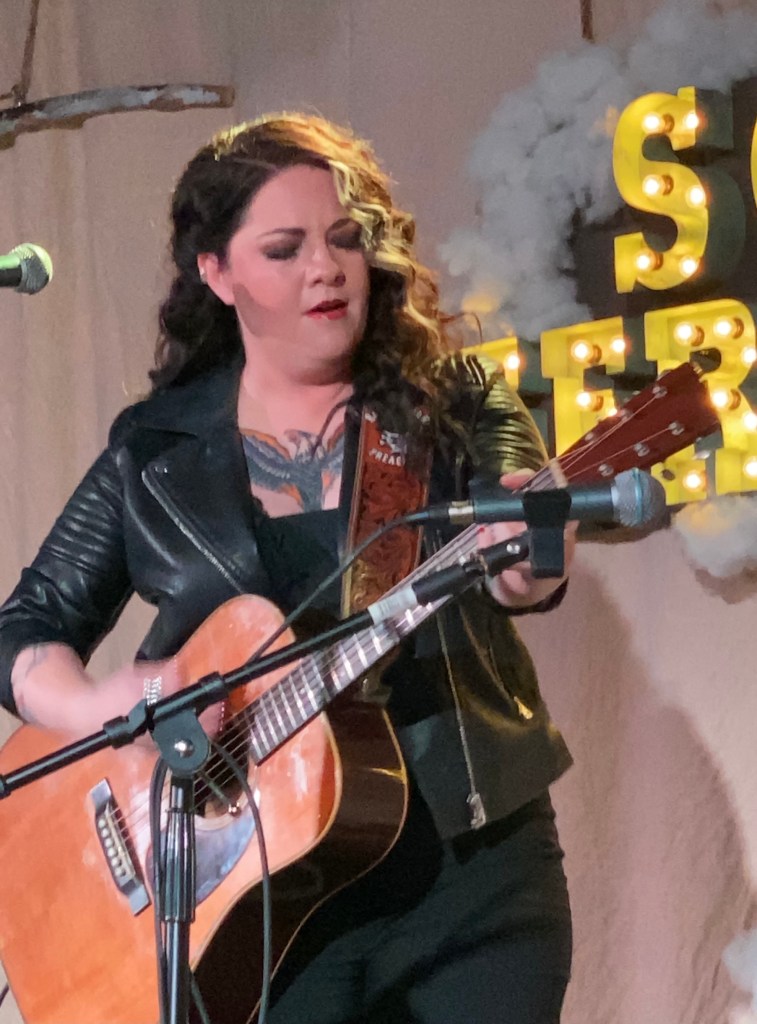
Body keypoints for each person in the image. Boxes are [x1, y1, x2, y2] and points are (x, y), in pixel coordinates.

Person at [0, 112, 574, 1023]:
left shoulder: (455, 402)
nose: (326, 268)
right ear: (216, 272)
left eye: (345, 239)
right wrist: (106, 703)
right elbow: (25, 630)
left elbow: (522, 561)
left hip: (469, 878)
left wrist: (529, 560)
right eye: (284, 248)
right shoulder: (156, 448)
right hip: (253, 899)